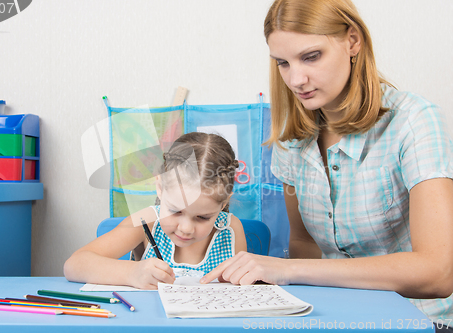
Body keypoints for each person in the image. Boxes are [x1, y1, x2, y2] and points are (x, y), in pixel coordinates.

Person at [201, 0, 453, 328]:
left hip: (419, 322)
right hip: (338, 320)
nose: (296, 79)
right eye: (283, 63)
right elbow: (303, 243)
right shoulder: (290, 142)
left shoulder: (415, 121)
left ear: (353, 41)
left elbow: (439, 272)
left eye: (311, 56)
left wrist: (286, 270)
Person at [64, 132, 247, 290]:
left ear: (223, 203)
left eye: (202, 217)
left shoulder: (231, 229)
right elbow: (74, 265)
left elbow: (237, 288)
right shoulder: (147, 220)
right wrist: (132, 273)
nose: (185, 228)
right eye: (175, 211)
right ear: (160, 187)